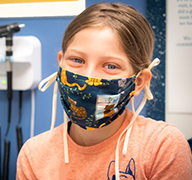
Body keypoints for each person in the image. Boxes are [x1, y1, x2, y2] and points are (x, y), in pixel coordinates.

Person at [16, 2, 192, 180]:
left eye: (110, 66)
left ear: (138, 82)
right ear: (61, 63)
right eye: (77, 60)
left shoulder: (162, 146)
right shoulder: (33, 155)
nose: (89, 76)